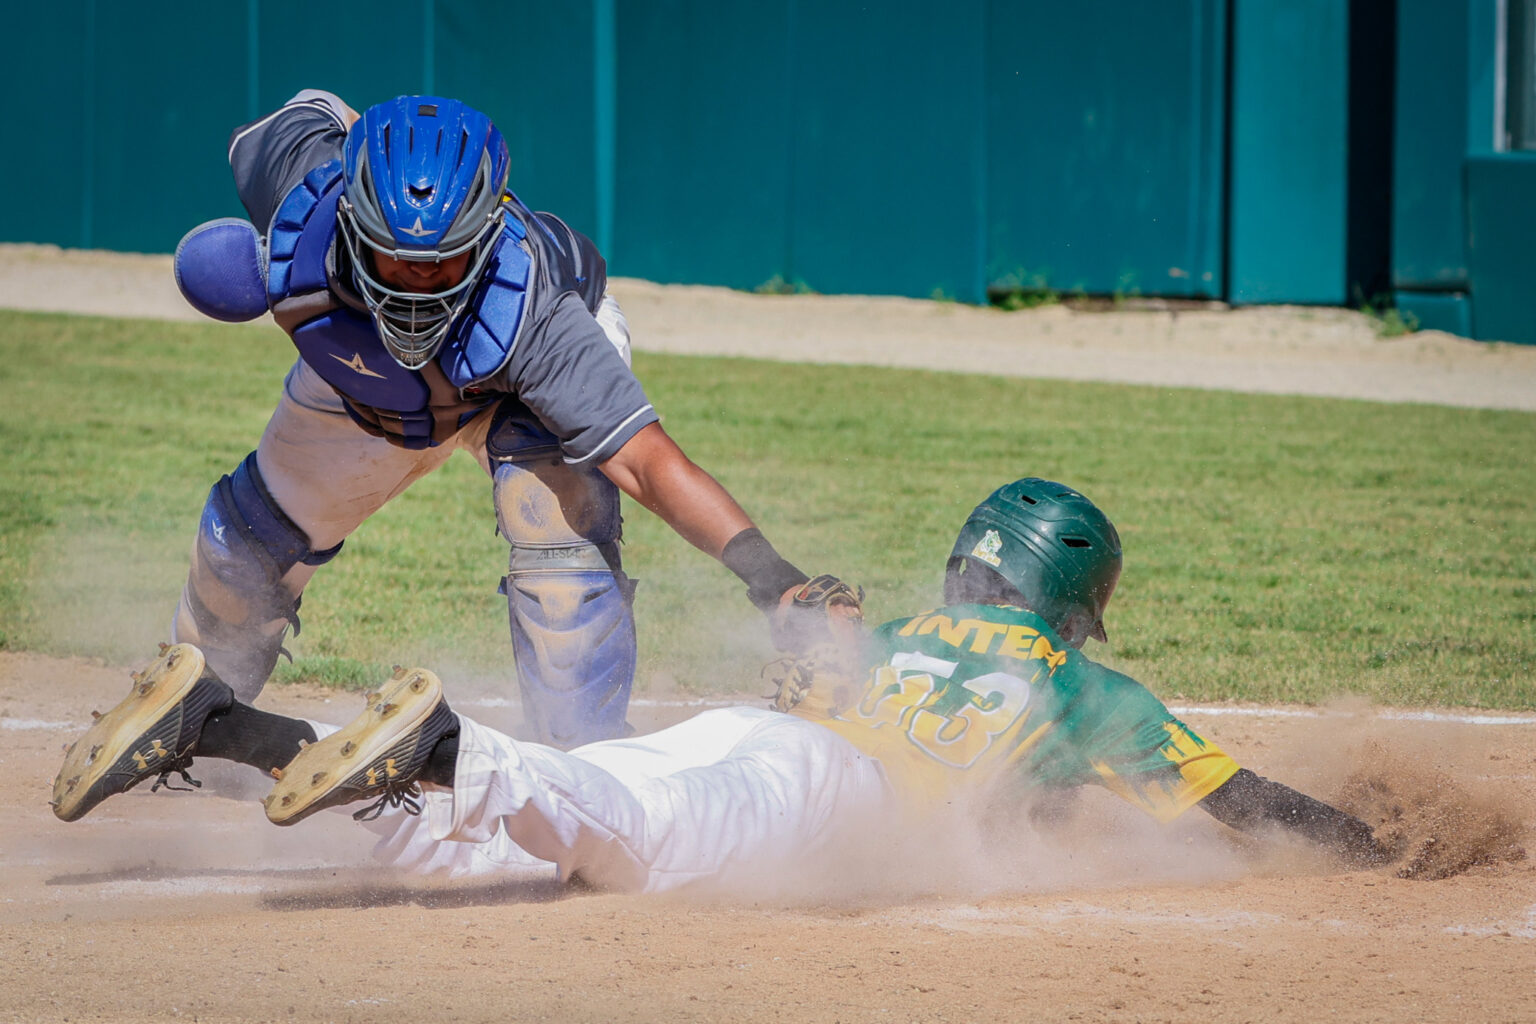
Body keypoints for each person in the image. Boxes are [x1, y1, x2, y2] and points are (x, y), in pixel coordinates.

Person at [52, 477, 1388, 893]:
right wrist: (1389, 849)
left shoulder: (914, 635)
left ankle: (233, 728)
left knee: (514, 852)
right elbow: (1247, 805)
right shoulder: (1088, 695)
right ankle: (455, 743)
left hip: (746, 736)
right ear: (1072, 604)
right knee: (612, 841)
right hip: (812, 793)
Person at [166, 90, 834, 749]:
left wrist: (773, 577)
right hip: (363, 384)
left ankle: (584, 764)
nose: (416, 282)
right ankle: (189, 722)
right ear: (349, 216)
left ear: (487, 233)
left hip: (511, 387)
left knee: (555, 545)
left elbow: (646, 462)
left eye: (445, 259)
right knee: (241, 552)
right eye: (394, 255)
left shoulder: (529, 309)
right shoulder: (300, 208)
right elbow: (293, 118)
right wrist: (339, 121)